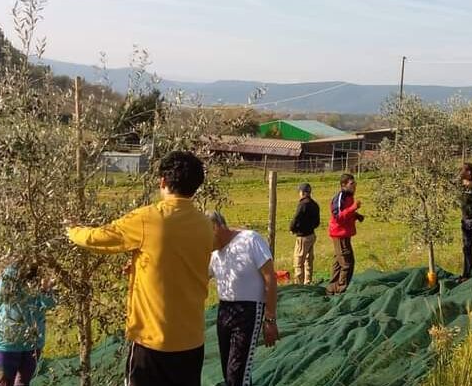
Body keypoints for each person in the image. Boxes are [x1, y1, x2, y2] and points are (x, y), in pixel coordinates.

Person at [67, 151, 213, 386]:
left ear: (163, 181)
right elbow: (179, 260)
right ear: (196, 186)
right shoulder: (205, 225)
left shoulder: (149, 218)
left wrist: (72, 231)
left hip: (152, 340)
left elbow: (100, 237)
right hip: (191, 342)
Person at [207, 211, 280, 386]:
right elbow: (197, 277)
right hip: (225, 310)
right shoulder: (215, 253)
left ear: (216, 228)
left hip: (248, 312)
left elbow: (270, 277)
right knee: (229, 370)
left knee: (238, 373)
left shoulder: (250, 240)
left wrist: (269, 319)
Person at [0, 260, 56, 386]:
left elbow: (50, 303)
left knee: (23, 383)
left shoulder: (38, 282)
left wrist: (46, 289)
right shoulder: (9, 279)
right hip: (7, 345)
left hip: (32, 345)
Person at [326, 173, 363, 295]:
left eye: (355, 184)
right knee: (347, 263)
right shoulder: (340, 197)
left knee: (338, 262)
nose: (354, 186)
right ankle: (340, 289)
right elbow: (338, 217)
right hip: (339, 234)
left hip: (345, 233)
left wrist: (356, 216)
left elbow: (346, 214)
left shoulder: (349, 196)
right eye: (351, 184)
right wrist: (353, 208)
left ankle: (332, 287)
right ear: (343, 185)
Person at [288, 182, 320, 284]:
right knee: (308, 260)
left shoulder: (302, 205)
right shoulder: (315, 204)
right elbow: (317, 222)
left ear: (302, 192)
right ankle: (308, 282)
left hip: (302, 237)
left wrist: (292, 228)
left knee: (298, 261)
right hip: (311, 235)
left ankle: (299, 284)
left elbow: (296, 218)